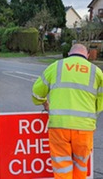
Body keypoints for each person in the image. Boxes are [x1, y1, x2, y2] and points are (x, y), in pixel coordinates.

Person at [32, 43, 103, 179]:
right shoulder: (96, 72)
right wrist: (92, 119)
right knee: (81, 166)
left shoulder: (56, 66)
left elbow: (36, 93)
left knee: (62, 168)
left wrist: (44, 103)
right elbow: (101, 102)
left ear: (69, 54)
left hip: (59, 126)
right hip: (84, 128)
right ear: (87, 56)